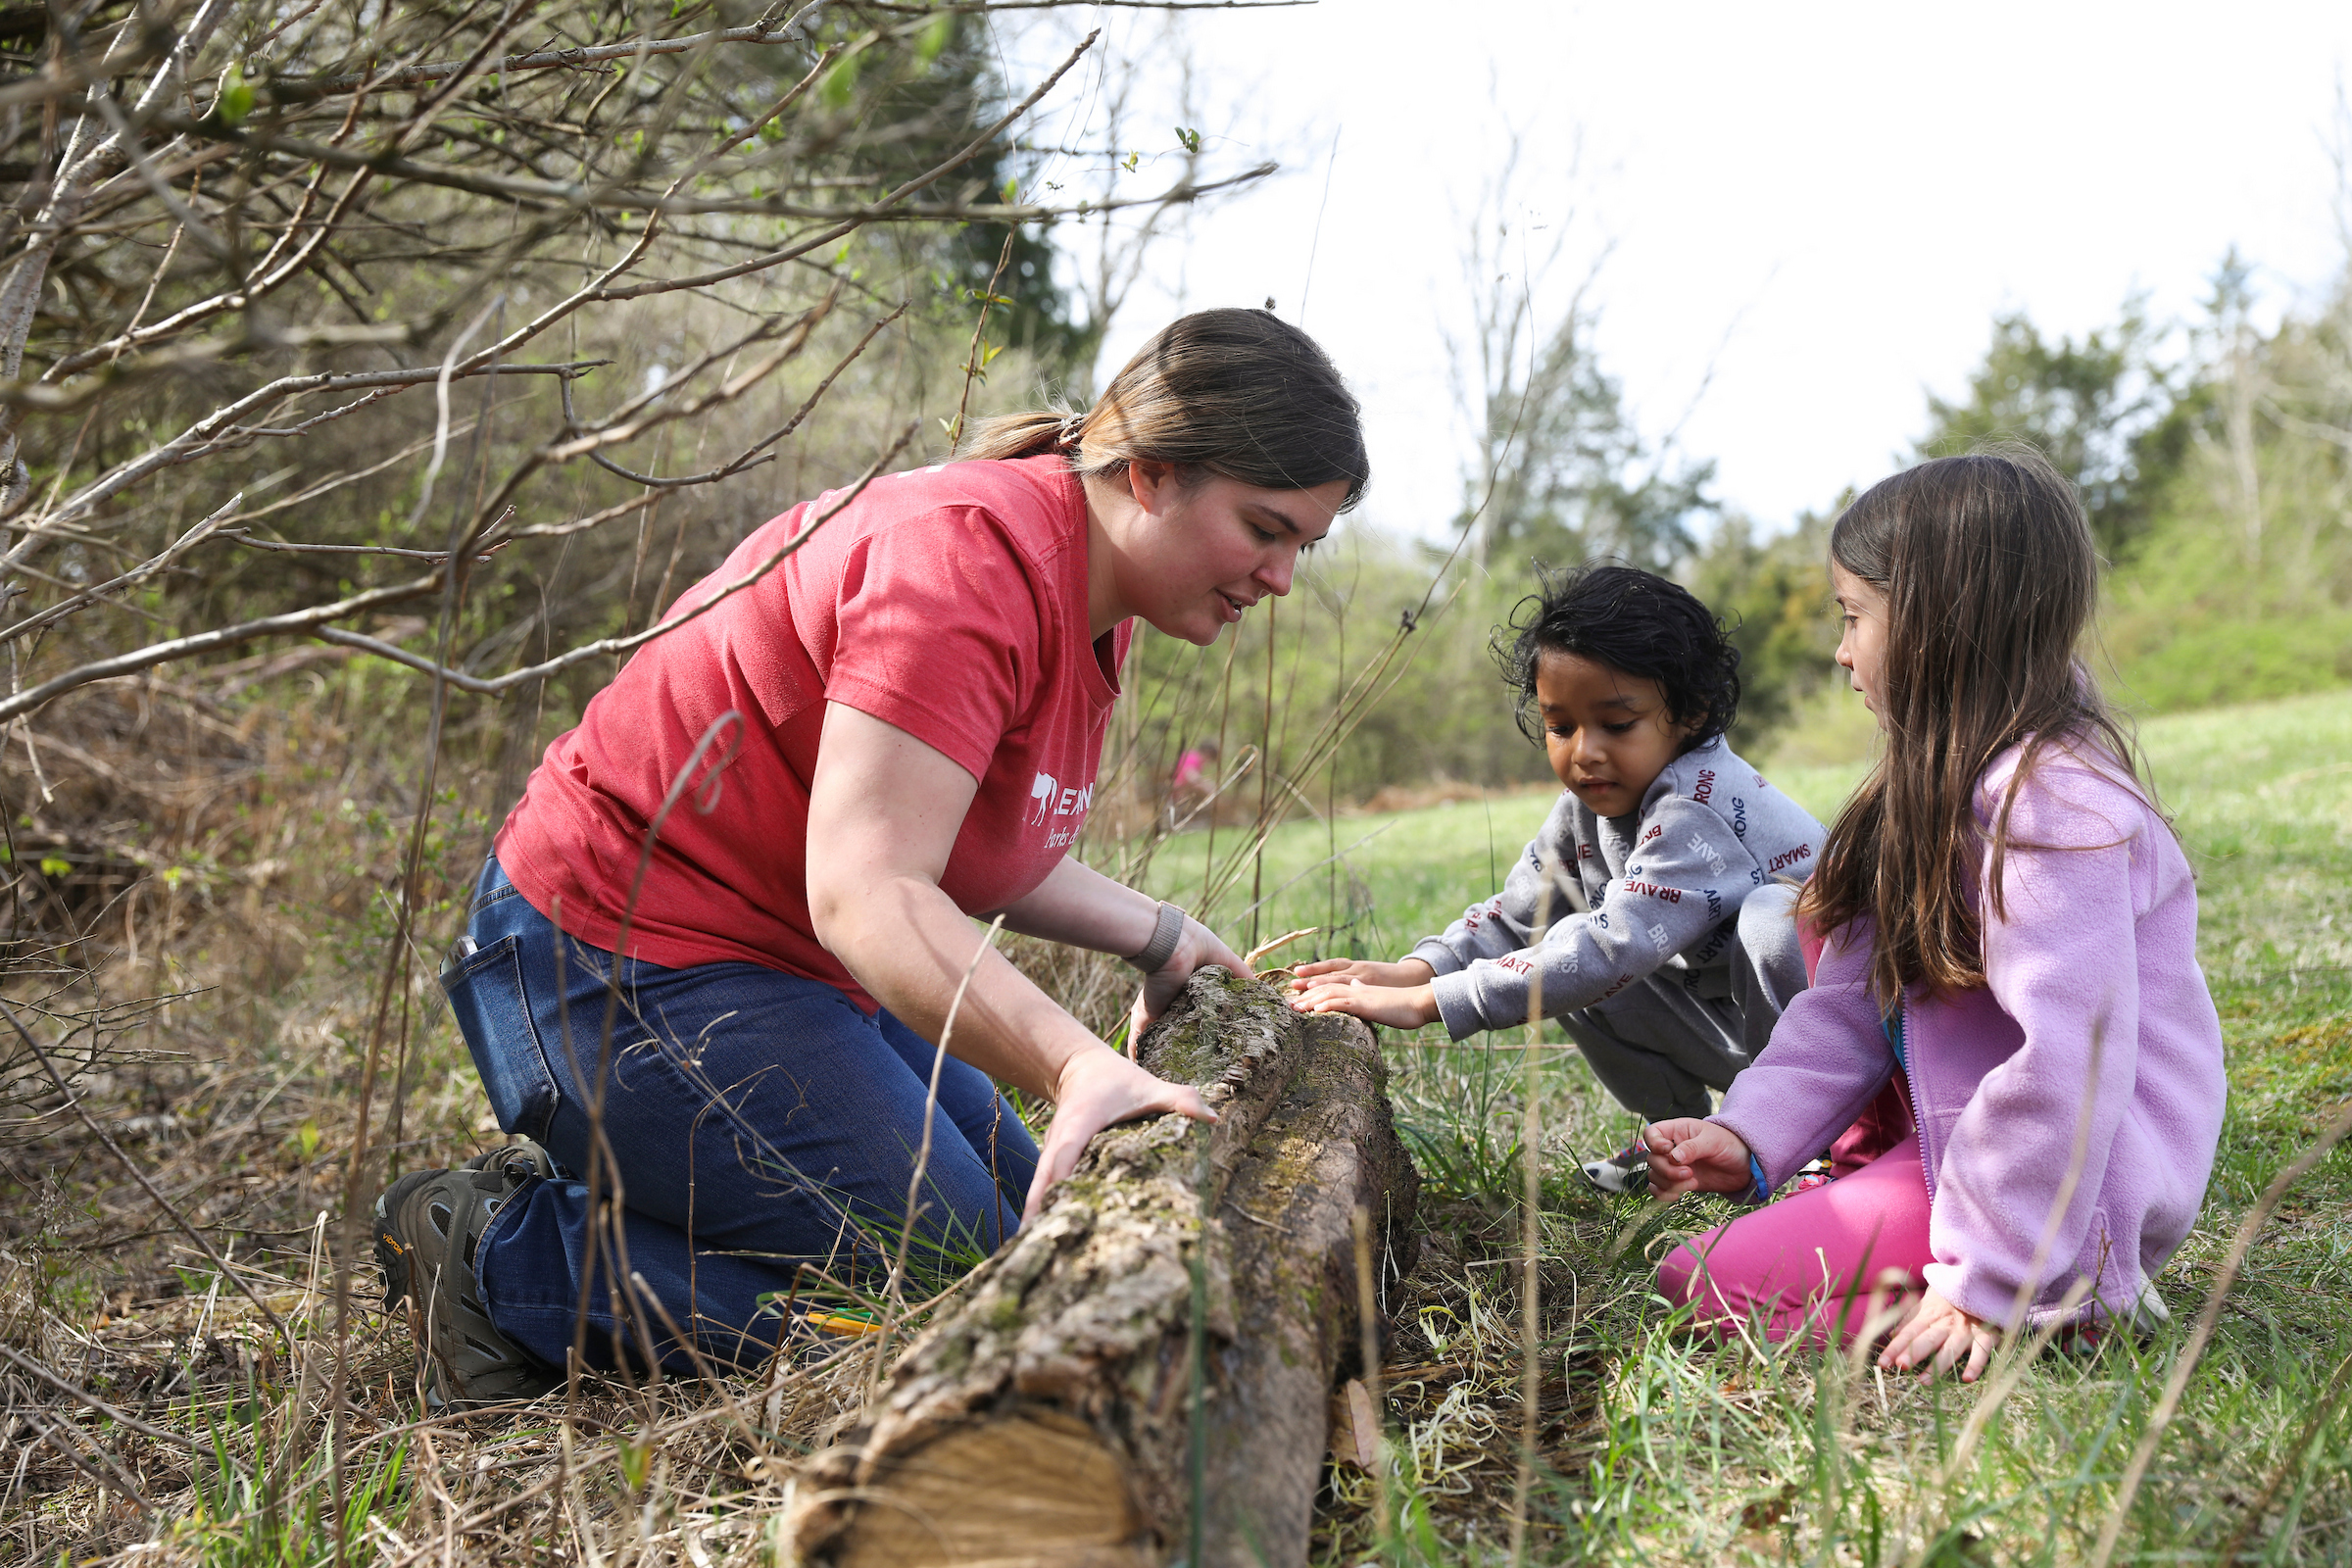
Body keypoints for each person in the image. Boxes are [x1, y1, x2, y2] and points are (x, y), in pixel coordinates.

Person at [370, 308, 1370, 1408]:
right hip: (601, 962)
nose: (1279, 578)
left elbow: (978, 846)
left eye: (1302, 546)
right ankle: (499, 1250)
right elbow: (866, 892)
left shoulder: (1095, 594)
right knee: (959, 1282)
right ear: (1151, 473)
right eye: (1264, 529)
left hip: (772, 971)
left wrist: (1164, 939)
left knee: (1034, 1209)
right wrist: (1078, 1064)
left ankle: (648, 1188)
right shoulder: (961, 566)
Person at [1645, 449, 2227, 1383]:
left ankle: (2066, 1300)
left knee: (1711, 1291)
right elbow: (1841, 1005)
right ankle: (1992, 1272)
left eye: (1853, 617)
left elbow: (2067, 1067)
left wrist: (1991, 1280)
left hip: (2066, 1194)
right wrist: (1751, 1133)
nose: (1840, 651)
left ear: (1936, 625)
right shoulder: (1926, 790)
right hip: (1951, 1154)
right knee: (1691, 1283)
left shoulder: (2055, 809)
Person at [1287, 564, 1826, 1193]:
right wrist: (1420, 970)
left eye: (1617, 724)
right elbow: (1524, 915)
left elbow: (1612, 944)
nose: (1584, 752)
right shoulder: (1590, 804)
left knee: (1772, 920)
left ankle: (1811, 1144)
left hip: (1838, 1049)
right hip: (1737, 1027)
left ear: (1691, 713)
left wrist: (1432, 1004)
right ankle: (1677, 1149)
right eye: (1560, 726)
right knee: (1561, 953)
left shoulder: (1698, 803)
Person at [1168, 737, 1220, 827]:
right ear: (1207, 753)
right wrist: (1207, 786)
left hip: (1180, 793)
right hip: (1176, 792)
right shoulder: (1194, 757)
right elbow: (1190, 775)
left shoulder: (1191, 757)